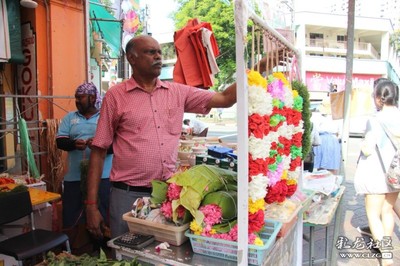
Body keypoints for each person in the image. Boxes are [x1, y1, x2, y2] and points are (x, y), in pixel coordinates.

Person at [85, 35, 277, 240]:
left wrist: (259, 67)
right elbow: (98, 151)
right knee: (125, 253)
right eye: (151, 52)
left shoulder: (177, 92)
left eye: (159, 52)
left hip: (166, 197)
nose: (158, 56)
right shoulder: (116, 96)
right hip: (127, 195)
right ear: (132, 58)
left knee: (159, 256)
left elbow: (225, 98)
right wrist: (91, 206)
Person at [56, 82, 113, 251]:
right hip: (75, 176)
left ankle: (102, 250)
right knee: (71, 214)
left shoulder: (105, 117)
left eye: (80, 97)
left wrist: (98, 145)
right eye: (76, 98)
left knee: (101, 213)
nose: (77, 101)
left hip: (103, 176)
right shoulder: (69, 118)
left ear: (92, 98)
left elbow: (115, 146)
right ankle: (72, 250)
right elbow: (60, 141)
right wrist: (74, 144)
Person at [353, 80, 400, 266]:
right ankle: (386, 248)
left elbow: (367, 148)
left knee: (373, 214)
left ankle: (386, 256)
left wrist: (362, 145)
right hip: (396, 173)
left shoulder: (374, 120)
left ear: (379, 99)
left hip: (376, 173)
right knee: (387, 211)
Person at [311, 98, 342, 174]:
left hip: (322, 140)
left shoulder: (317, 116)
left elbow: (314, 129)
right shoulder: (336, 116)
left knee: (320, 166)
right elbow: (340, 131)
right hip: (330, 141)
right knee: (331, 164)